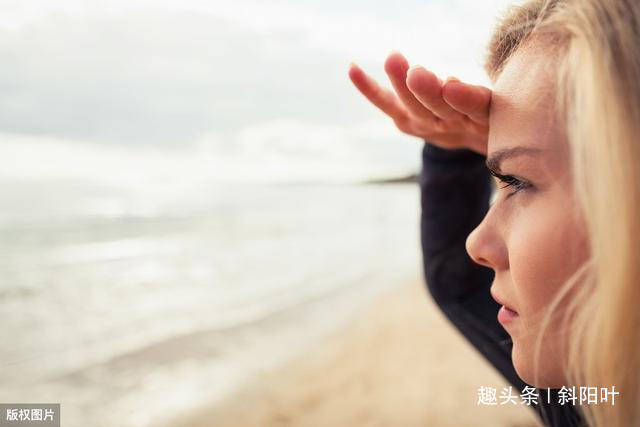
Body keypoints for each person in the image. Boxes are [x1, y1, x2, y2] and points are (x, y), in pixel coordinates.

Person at [348, 0, 640, 426]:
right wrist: (455, 152)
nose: (476, 244)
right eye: (502, 182)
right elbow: (457, 283)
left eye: (517, 182)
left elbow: (457, 286)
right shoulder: (596, 394)